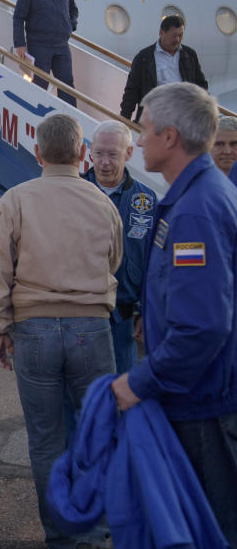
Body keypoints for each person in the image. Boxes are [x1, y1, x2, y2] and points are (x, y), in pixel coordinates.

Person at [0, 113, 123, 549]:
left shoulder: (15, 200)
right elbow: (114, 259)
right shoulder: (103, 203)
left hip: (34, 331)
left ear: (37, 153)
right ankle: (95, 536)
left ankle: (59, 545)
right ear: (83, 155)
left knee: (45, 442)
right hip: (91, 330)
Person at [111, 82, 237, 549]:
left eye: (142, 129)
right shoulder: (194, 195)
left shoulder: (194, 211)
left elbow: (203, 327)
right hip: (197, 395)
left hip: (203, 404)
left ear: (170, 136)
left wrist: (137, 382)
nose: (137, 140)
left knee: (216, 536)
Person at [82, 120, 156, 374]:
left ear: (129, 153)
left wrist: (147, 311)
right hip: (79, 317)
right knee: (82, 401)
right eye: (99, 153)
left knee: (123, 398)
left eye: (112, 154)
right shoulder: (74, 193)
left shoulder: (145, 201)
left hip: (124, 320)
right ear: (90, 151)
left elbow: (153, 262)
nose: (104, 162)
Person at [13, 0, 79, 107]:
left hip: (61, 45)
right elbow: (18, 18)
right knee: (40, 83)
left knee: (67, 85)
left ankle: (70, 119)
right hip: (39, 45)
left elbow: (73, 11)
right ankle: (36, 115)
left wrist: (71, 25)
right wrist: (20, 44)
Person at [119, 15, 208, 121]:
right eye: (174, 36)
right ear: (161, 33)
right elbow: (132, 91)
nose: (177, 39)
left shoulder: (189, 55)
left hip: (184, 116)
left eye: (181, 35)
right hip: (155, 117)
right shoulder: (144, 58)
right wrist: (125, 119)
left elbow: (201, 85)